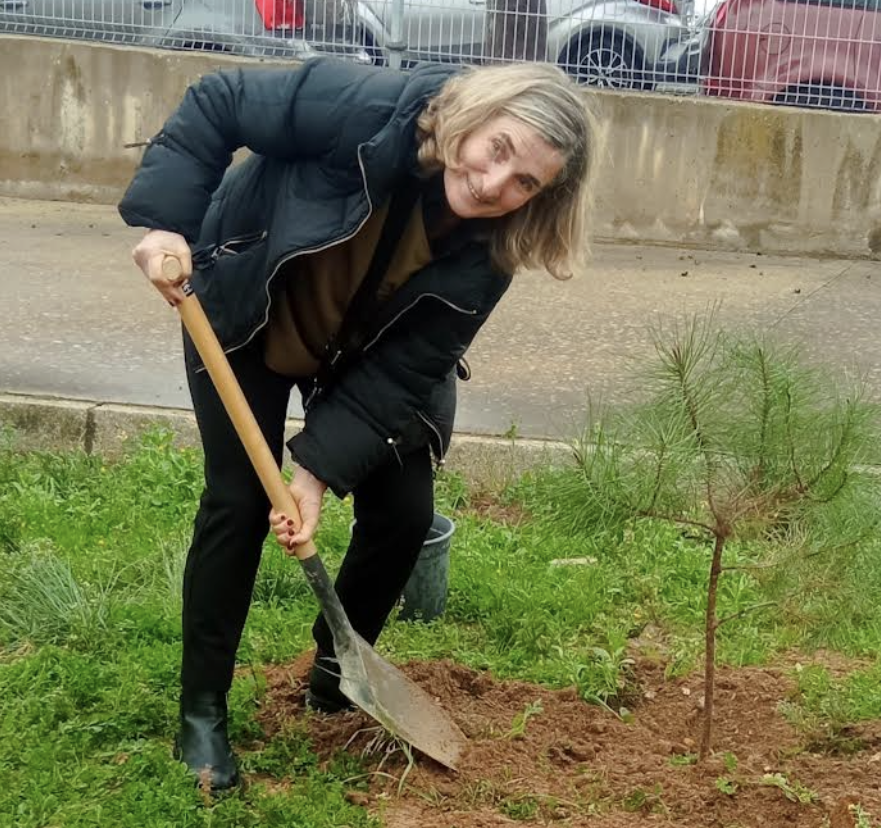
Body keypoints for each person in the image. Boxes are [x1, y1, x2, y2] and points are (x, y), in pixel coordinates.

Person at [119, 56, 597, 792]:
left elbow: (407, 371)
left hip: (366, 352)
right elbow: (220, 102)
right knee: (240, 502)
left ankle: (339, 668)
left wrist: (313, 474)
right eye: (497, 149)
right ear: (472, 115)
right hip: (254, 303)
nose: (496, 185)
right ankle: (204, 712)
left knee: (405, 514)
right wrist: (164, 224)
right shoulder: (366, 107)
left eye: (527, 182)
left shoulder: (495, 250)